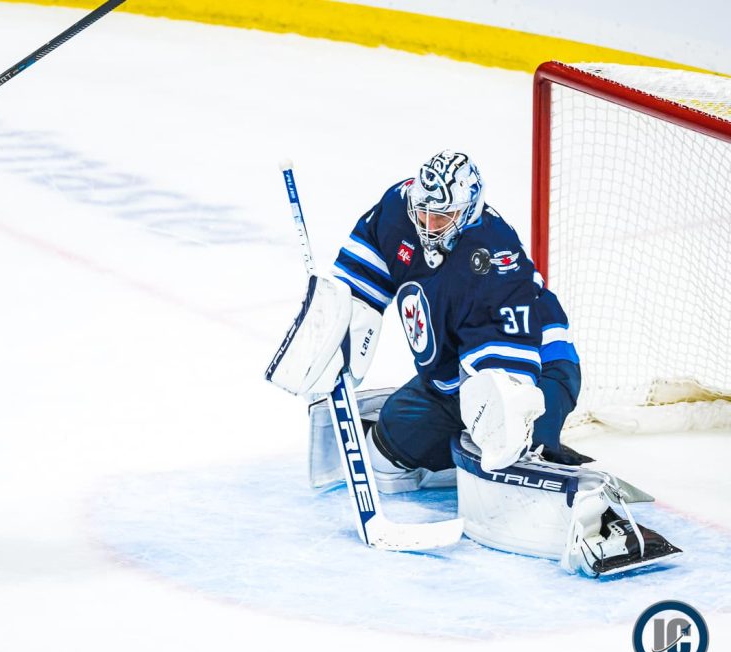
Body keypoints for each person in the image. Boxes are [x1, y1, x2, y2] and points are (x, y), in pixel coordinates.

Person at [268, 150, 680, 576]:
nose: (428, 226)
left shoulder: (493, 258)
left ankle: (594, 514)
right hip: (450, 373)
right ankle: (458, 455)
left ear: (467, 212)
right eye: (424, 213)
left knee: (505, 445)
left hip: (538, 368)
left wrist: (505, 427)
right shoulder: (397, 209)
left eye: (442, 217)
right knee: (384, 457)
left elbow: (506, 382)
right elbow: (359, 285)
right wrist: (333, 323)